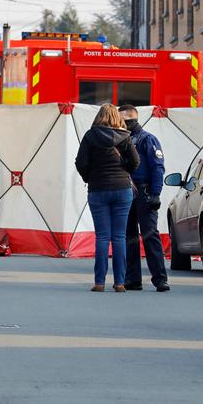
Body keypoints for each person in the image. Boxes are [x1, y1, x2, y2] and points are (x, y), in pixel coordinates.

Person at [75, 104, 140, 293]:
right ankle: (120, 283)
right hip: (122, 190)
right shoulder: (125, 136)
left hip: (98, 189)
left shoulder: (90, 136)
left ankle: (99, 282)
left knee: (102, 237)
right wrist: (124, 172)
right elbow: (135, 162)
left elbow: (81, 162)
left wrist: (90, 177)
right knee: (119, 237)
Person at [118, 105, 170, 292]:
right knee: (128, 236)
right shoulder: (121, 140)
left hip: (144, 192)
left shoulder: (148, 140)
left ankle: (160, 279)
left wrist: (156, 193)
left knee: (150, 235)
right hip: (126, 192)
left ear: (131, 121)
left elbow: (157, 167)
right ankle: (133, 279)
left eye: (122, 121)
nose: (119, 124)